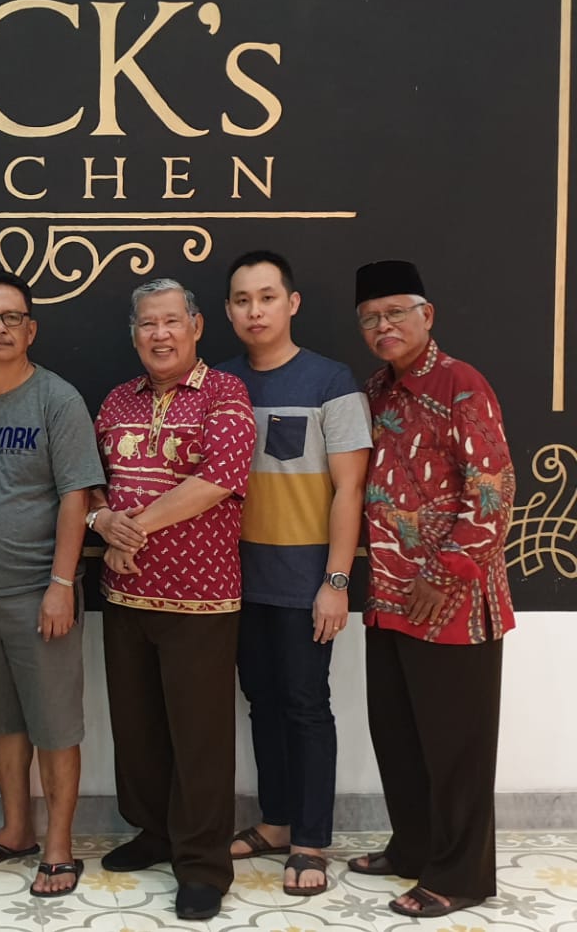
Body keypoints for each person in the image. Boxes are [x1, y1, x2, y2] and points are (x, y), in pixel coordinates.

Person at [348, 259, 515, 919]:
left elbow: (494, 492)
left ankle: (460, 875)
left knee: (456, 749)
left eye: (395, 312)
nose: (383, 326)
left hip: (453, 605)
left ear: (427, 316)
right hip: (389, 599)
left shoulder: (461, 384)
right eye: (370, 318)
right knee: (399, 736)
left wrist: (442, 573)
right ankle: (413, 846)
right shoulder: (376, 391)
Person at [88, 278, 256, 921]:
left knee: (200, 738)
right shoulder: (116, 399)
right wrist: (104, 523)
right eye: (146, 324)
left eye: (170, 322)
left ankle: (203, 864)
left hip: (201, 599)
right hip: (124, 594)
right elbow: (91, 481)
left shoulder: (225, 393)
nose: (159, 335)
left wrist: (133, 529)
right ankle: (155, 832)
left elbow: (219, 478)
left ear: (196, 326)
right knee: (138, 730)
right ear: (133, 334)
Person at [0, 270, 105, 897]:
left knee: (54, 725)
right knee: (1, 721)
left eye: (11, 318)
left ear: (30, 329)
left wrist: (61, 583)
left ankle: (58, 847)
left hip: (39, 591)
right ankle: (15, 830)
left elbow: (76, 496)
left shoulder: (57, 399)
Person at [216, 251, 371, 896]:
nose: (255, 311)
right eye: (242, 300)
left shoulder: (330, 382)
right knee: (261, 700)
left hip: (305, 578)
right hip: (235, 579)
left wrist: (335, 581)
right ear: (227, 311)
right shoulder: (220, 383)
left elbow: (350, 490)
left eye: (267, 297)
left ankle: (310, 839)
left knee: (306, 705)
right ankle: (276, 821)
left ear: (292, 303)